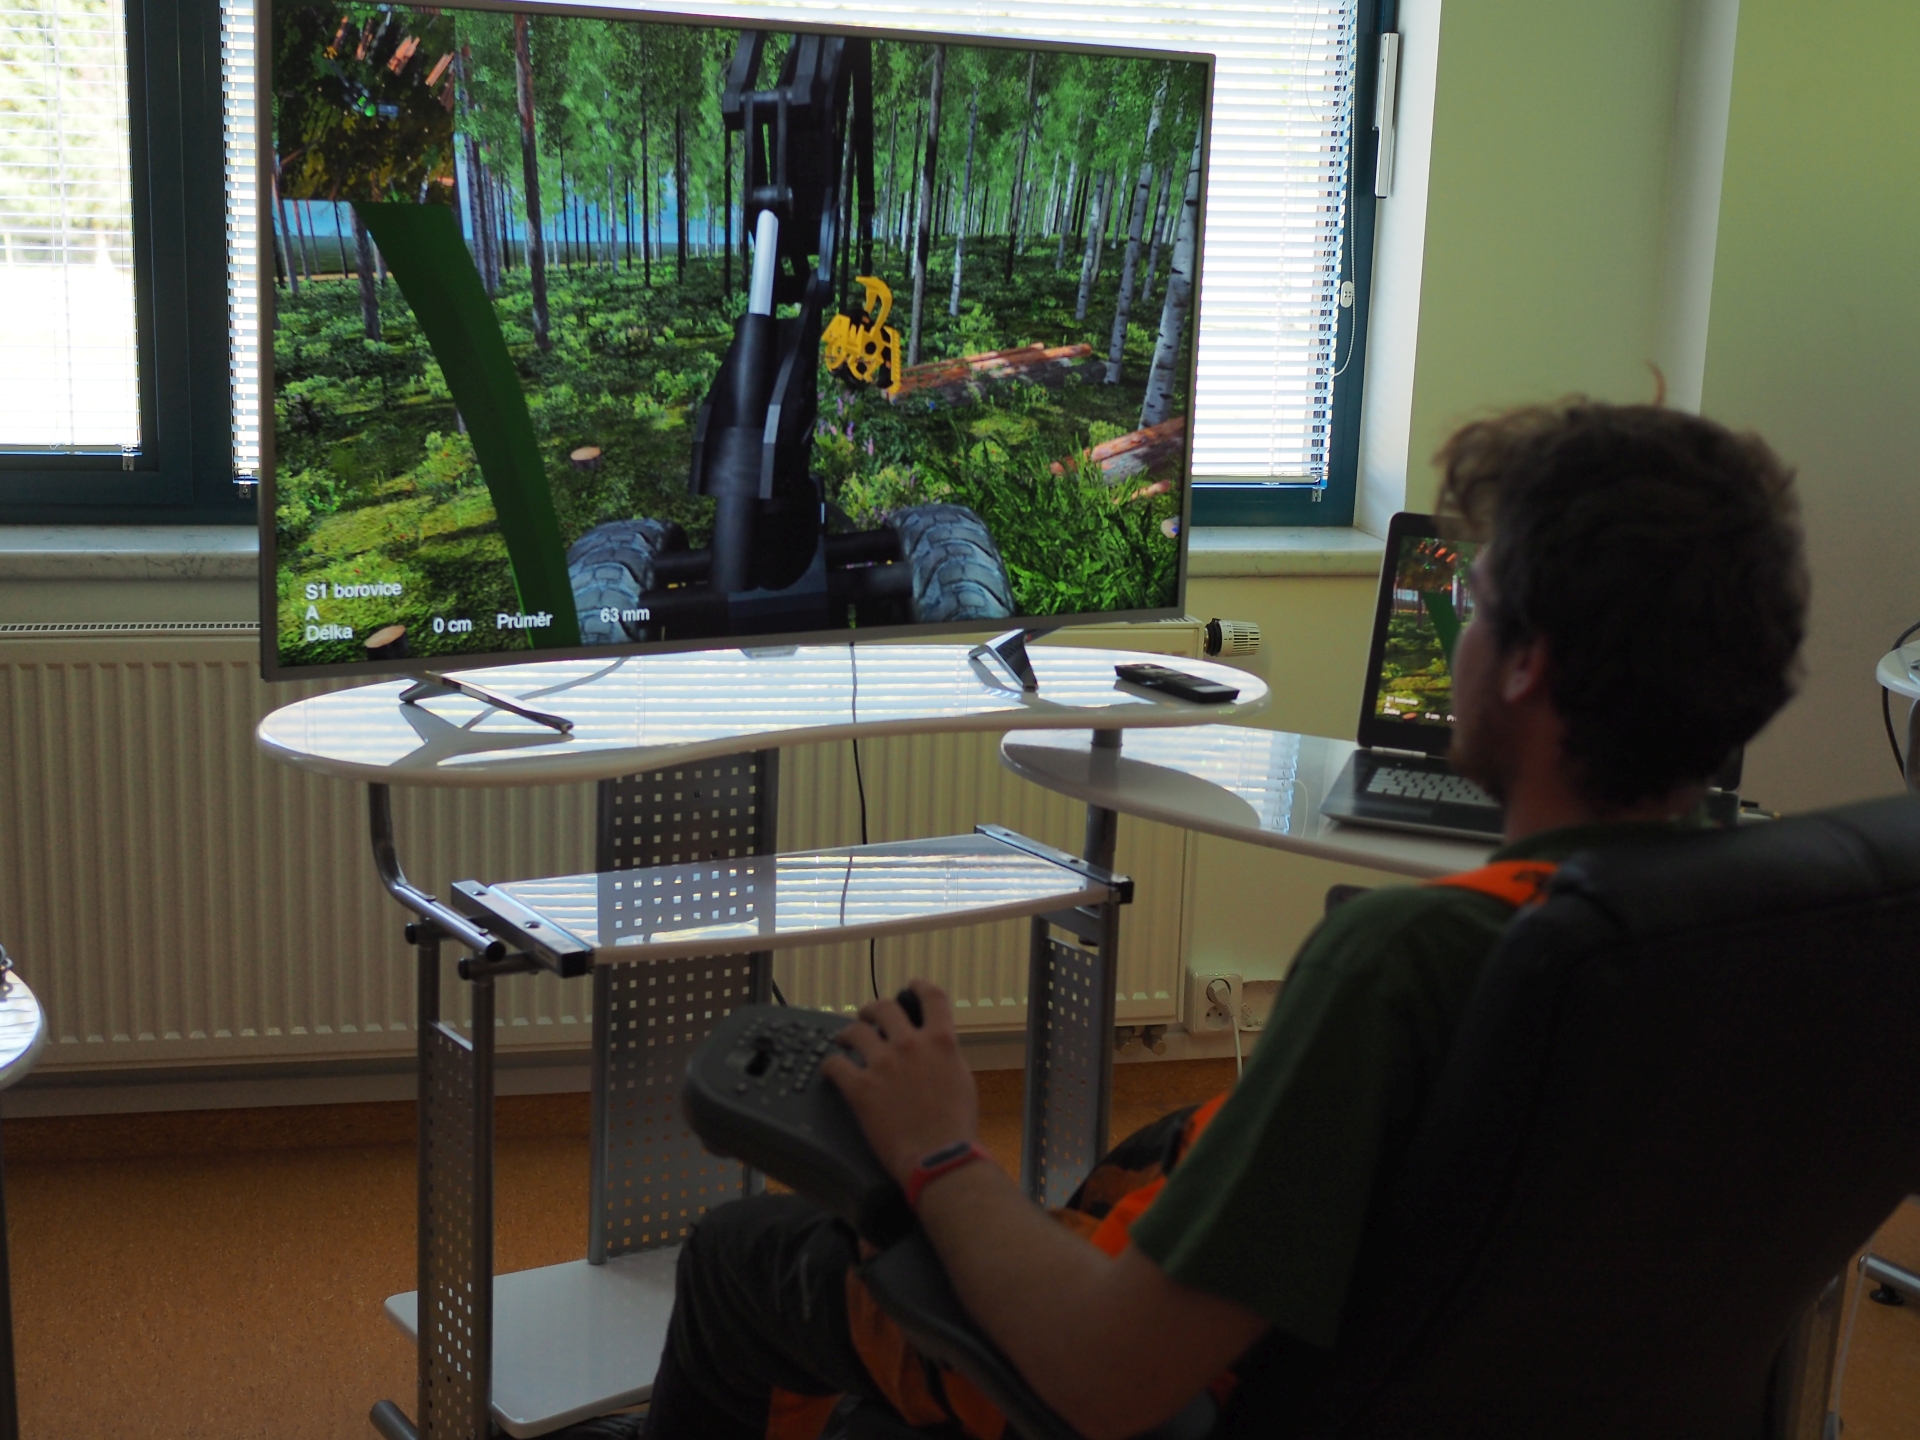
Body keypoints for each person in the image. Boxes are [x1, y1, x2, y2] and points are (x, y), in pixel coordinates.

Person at [639, 400, 1808, 1440]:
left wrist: (937, 1145)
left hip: (1146, 1372)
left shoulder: (1411, 963)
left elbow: (1107, 1375)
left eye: (1477, 606)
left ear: (1523, 668)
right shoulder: (1785, 935)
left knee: (744, 1259)